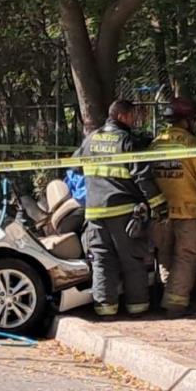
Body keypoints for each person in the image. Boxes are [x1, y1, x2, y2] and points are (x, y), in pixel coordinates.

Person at [76, 100, 166, 318]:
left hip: (95, 212)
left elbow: (75, 166)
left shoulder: (91, 138)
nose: (136, 120)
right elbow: (142, 177)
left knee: (102, 261)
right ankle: (138, 308)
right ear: (122, 116)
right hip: (123, 211)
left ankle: (105, 309)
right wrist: (159, 204)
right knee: (132, 260)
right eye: (133, 115)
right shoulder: (127, 142)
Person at [150, 97, 196, 314]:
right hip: (190, 211)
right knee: (186, 257)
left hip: (161, 212)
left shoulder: (155, 143)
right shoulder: (192, 144)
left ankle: (167, 295)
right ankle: (175, 304)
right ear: (187, 120)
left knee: (166, 255)